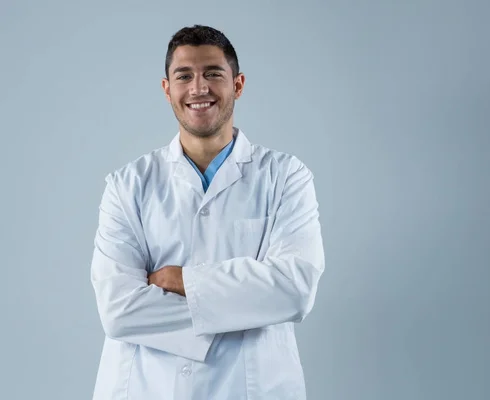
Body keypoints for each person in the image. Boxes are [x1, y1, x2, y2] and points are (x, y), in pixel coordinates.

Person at [90, 24, 325, 400]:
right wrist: (246, 302)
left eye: (213, 74)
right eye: (184, 76)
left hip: (250, 388)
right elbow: (119, 310)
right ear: (168, 89)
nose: (199, 88)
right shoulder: (127, 185)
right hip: (148, 387)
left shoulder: (285, 176)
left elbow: (295, 289)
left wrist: (185, 281)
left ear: (238, 84)